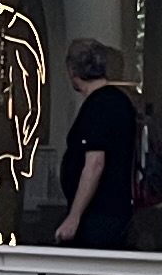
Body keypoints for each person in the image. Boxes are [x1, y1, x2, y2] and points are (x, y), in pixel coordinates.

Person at [51, 38, 142, 249]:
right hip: (114, 213)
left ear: (72, 71)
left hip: (99, 217)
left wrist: (74, 216)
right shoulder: (120, 101)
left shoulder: (98, 107)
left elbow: (94, 164)